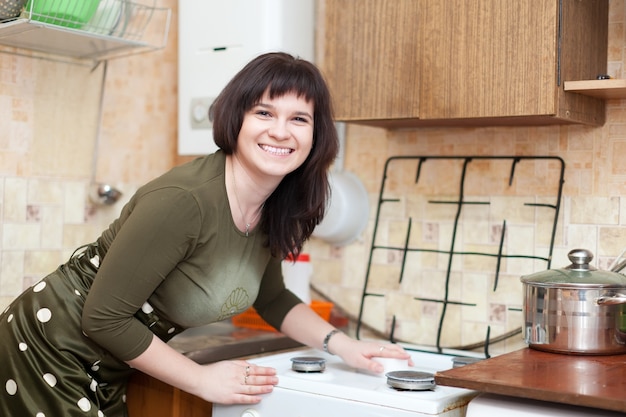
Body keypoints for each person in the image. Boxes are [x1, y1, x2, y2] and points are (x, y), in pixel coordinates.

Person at [0, 52, 411, 416]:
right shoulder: (185, 201)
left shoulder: (271, 206)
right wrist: (201, 380)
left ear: (316, 135)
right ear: (236, 119)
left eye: (299, 119)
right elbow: (104, 318)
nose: (281, 131)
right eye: (264, 113)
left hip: (106, 362)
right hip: (47, 347)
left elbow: (272, 298)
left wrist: (344, 346)